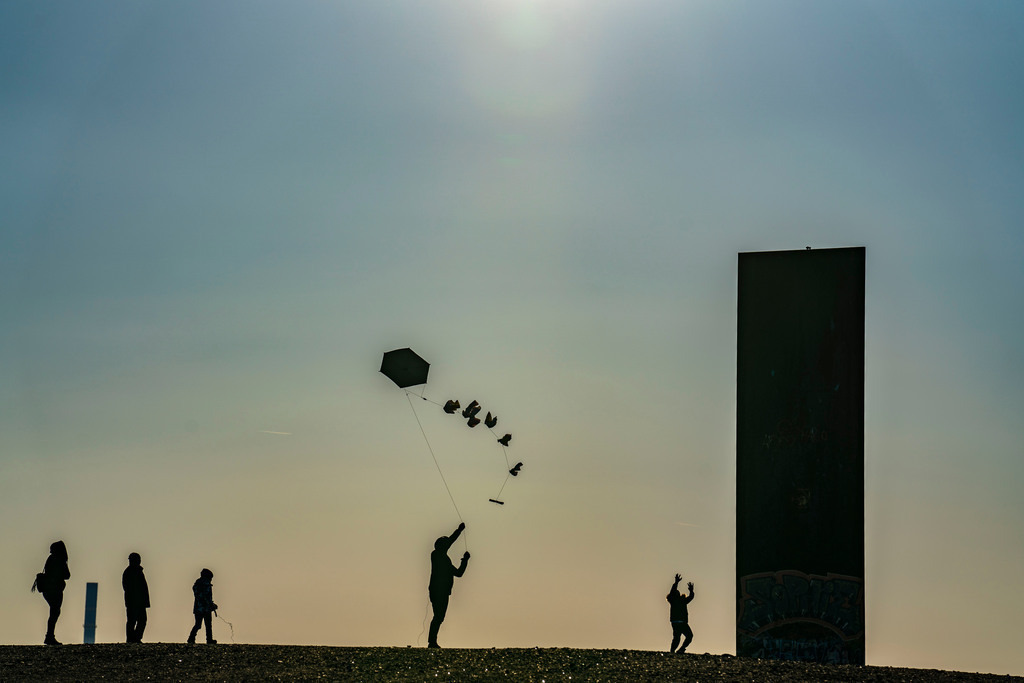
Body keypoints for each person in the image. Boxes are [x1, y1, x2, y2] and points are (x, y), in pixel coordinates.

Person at [427, 522, 470, 648]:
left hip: (442, 592)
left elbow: (458, 573)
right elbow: (450, 541)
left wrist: (465, 561)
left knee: (439, 617)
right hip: (438, 591)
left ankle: (432, 641)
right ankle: (432, 642)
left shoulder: (444, 560)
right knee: (438, 617)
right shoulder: (436, 555)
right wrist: (459, 530)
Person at [32, 541, 70, 646]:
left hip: (48, 590)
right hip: (55, 590)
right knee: (55, 612)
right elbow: (67, 575)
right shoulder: (60, 560)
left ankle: (49, 636)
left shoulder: (50, 559)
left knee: (54, 612)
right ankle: (49, 636)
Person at [122, 553, 150, 643]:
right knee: (133, 621)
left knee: (140, 620)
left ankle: (134, 638)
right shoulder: (130, 572)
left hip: (138, 602)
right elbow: (128, 588)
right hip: (134, 602)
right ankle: (132, 639)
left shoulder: (137, 571)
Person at [187, 568, 218, 644]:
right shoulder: (203, 584)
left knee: (204, 625)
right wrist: (210, 604)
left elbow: (203, 596)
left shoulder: (198, 584)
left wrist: (211, 604)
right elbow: (203, 597)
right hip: (201, 608)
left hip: (201, 608)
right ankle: (193, 638)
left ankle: (207, 639)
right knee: (201, 625)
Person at [667, 573, 695, 653]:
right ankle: (676, 650)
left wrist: (691, 591)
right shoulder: (673, 600)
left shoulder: (682, 601)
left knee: (680, 637)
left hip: (678, 622)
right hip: (679, 622)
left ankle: (677, 650)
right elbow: (673, 591)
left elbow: (691, 597)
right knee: (684, 637)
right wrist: (676, 582)